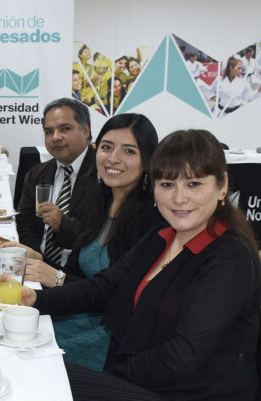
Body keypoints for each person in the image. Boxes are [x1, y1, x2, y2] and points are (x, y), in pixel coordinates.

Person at [12, 129, 261, 401]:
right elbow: (103, 288)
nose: (179, 198)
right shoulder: (162, 237)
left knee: (43, 375)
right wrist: (36, 299)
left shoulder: (229, 258)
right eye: (166, 184)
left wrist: (110, 379)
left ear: (222, 187)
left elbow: (182, 356)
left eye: (194, 185)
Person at [16, 114, 164, 371]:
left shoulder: (151, 220)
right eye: (106, 147)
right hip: (75, 311)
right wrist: (41, 261)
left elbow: (117, 295)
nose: (113, 158)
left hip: (107, 334)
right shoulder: (98, 201)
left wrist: (57, 279)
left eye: (128, 151)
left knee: (21, 355)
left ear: (147, 160)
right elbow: (75, 269)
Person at [14, 98, 100, 269]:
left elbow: (100, 237)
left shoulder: (104, 175)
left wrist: (62, 223)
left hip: (80, 278)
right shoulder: (37, 174)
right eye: (48, 131)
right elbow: (25, 221)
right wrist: (36, 259)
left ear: (86, 130)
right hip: (37, 267)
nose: (55, 137)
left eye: (65, 129)